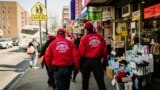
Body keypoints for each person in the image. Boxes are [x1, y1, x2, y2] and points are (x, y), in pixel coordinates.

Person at [79, 22, 108, 90]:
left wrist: (80, 63)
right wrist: (105, 59)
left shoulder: (84, 38)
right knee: (100, 81)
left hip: (86, 62)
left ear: (86, 29)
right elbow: (104, 49)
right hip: (97, 61)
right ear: (92, 28)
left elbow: (81, 52)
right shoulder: (100, 37)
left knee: (85, 80)